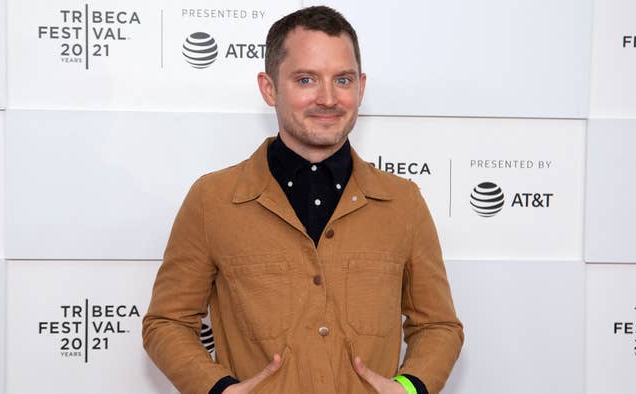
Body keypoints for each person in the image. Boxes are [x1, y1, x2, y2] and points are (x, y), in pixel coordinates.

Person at [143, 5, 463, 394]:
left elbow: (438, 326)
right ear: (269, 87)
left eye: (342, 80)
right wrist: (217, 389)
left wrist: (410, 387)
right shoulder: (213, 200)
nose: (328, 98)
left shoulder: (403, 202)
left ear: (361, 87)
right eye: (306, 79)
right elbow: (167, 322)